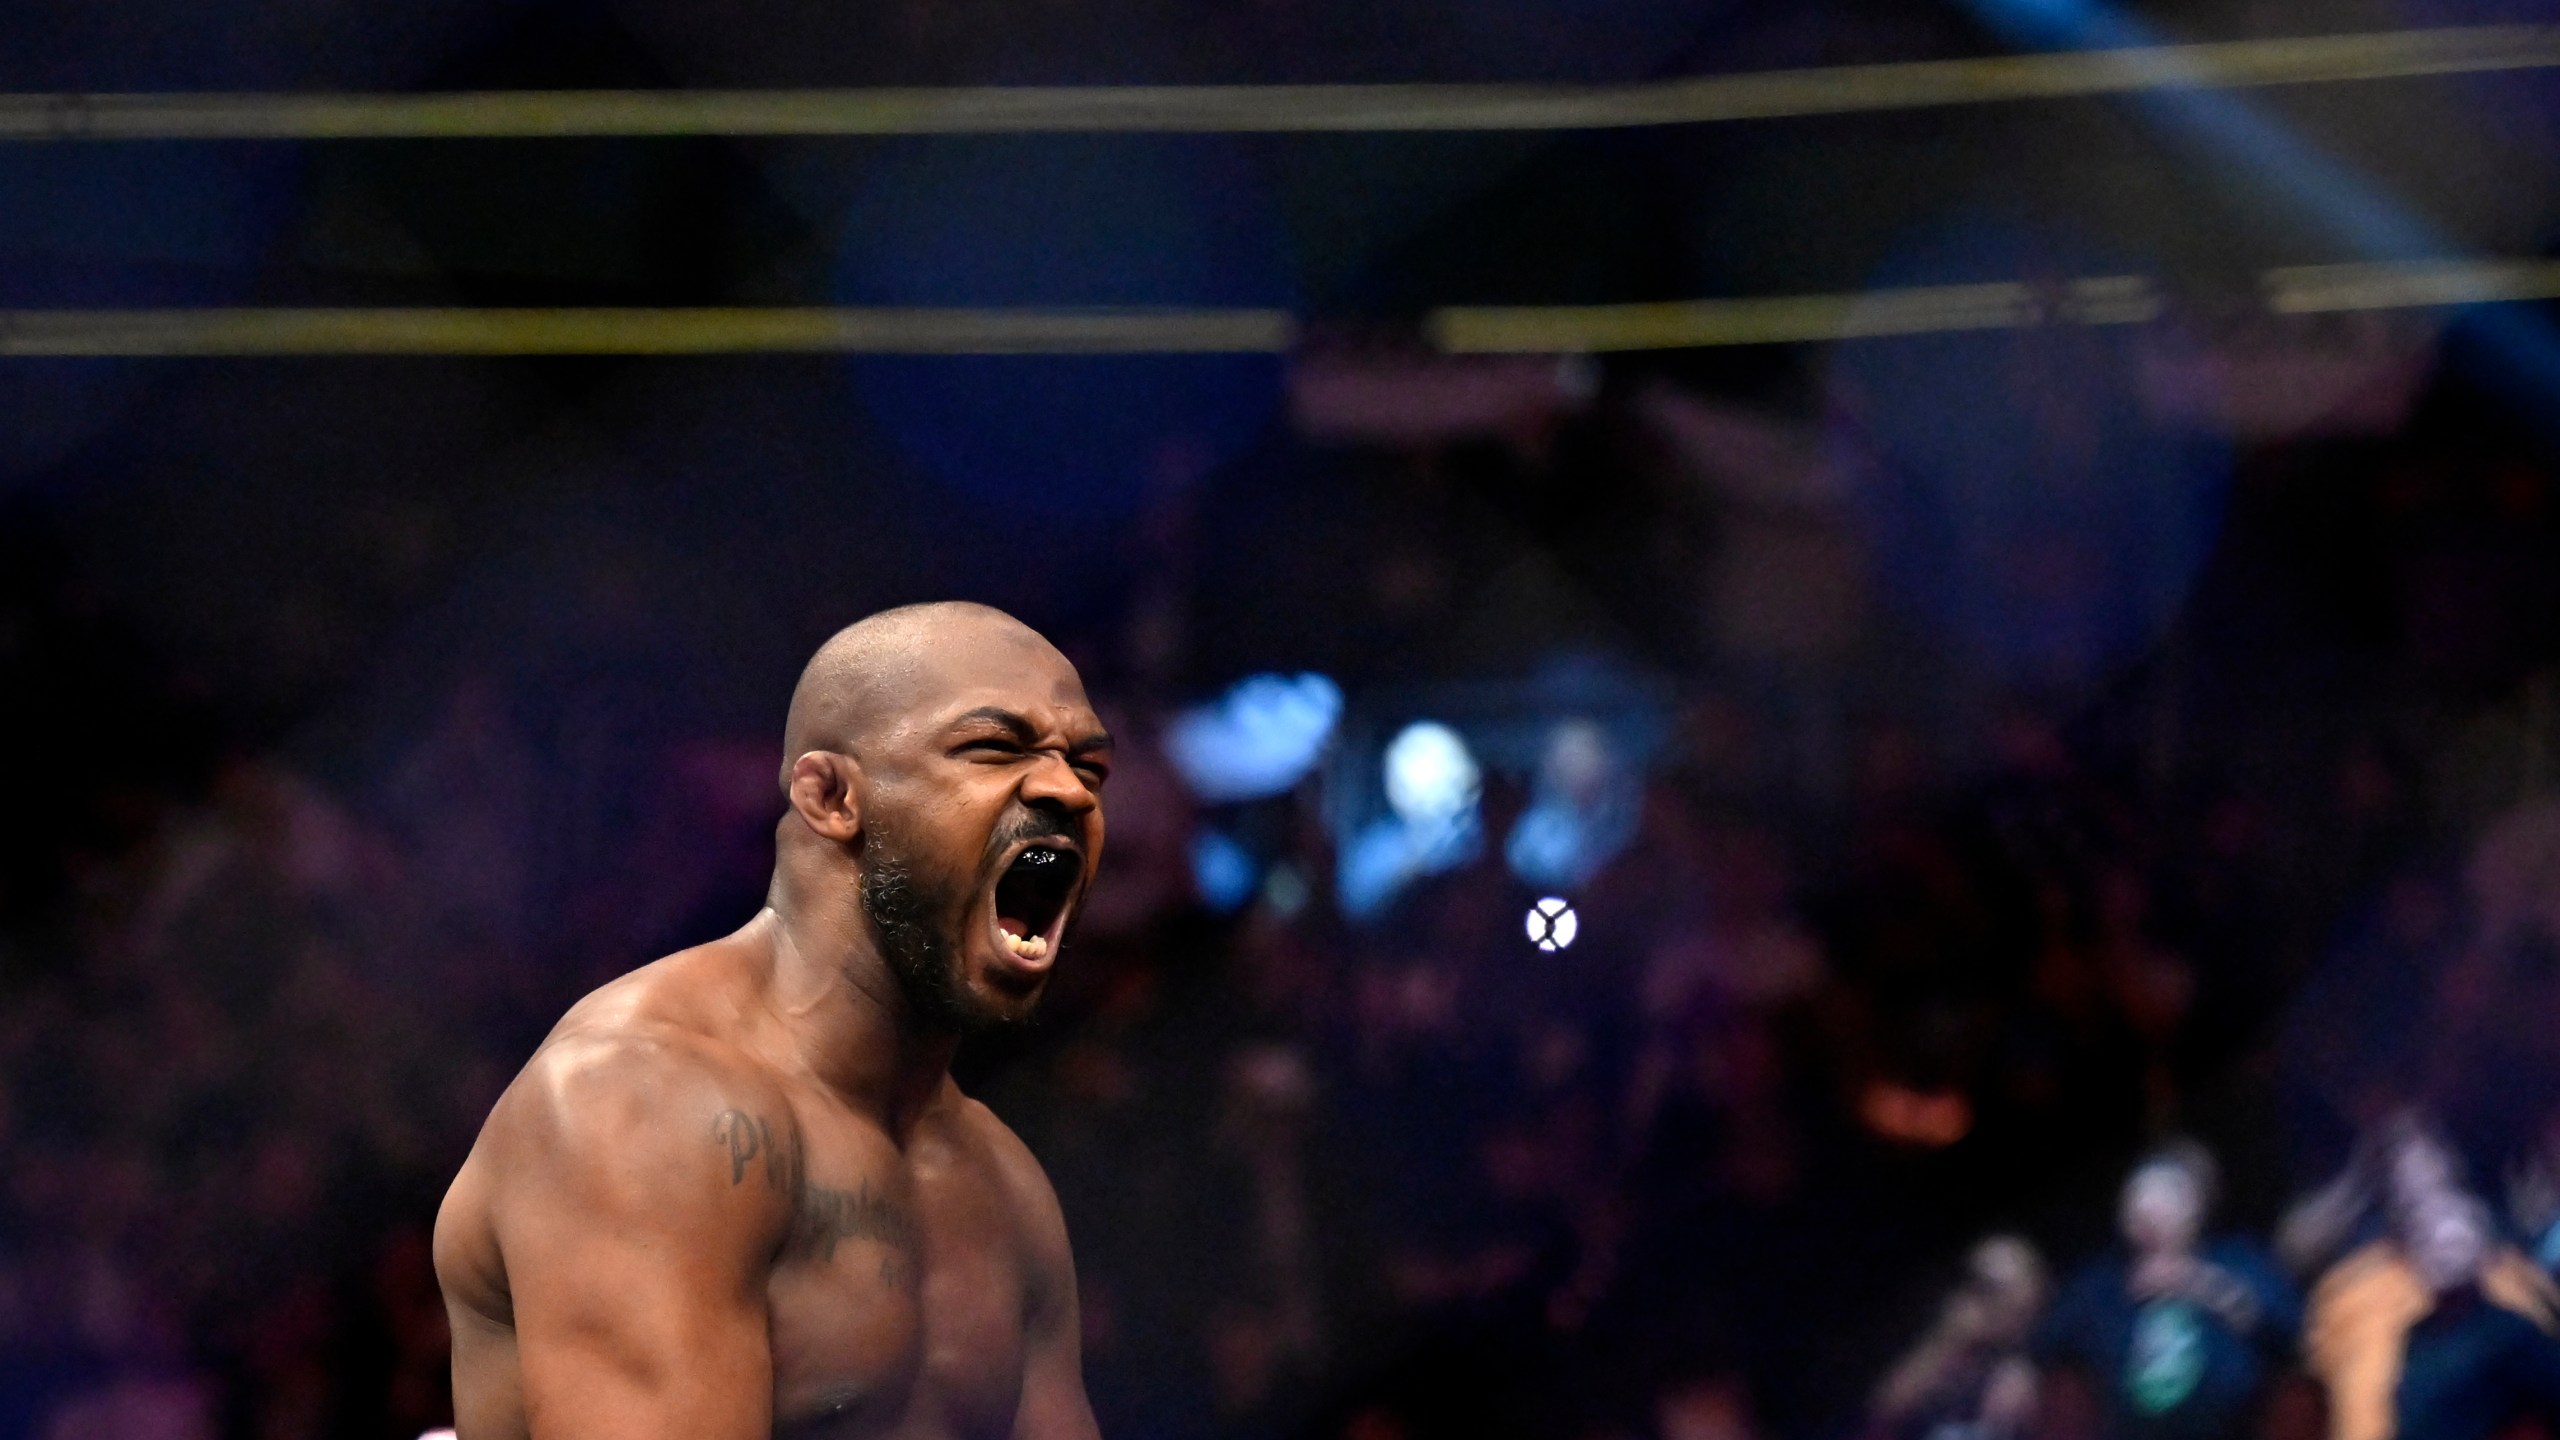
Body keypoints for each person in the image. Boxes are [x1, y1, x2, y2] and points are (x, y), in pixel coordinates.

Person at [434, 603, 1115, 1440]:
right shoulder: (640, 1101)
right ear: (829, 795)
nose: (1066, 789)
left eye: (1089, 766)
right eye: (995, 748)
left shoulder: (1008, 1189)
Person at [2037, 1141, 2301, 1440]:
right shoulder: (2104, 1280)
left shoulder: (2238, 1261)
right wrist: (2019, 1369)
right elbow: (2048, 1337)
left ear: (2196, 1209)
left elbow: (2290, 1332)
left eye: (2166, 1199)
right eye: (2137, 1198)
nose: (2148, 1210)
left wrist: (2202, 1285)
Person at [1868, 1235, 2048, 1440]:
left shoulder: (2023, 1368)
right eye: (1981, 1287)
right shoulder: (1939, 1342)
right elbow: (1884, 1410)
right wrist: (1949, 1341)